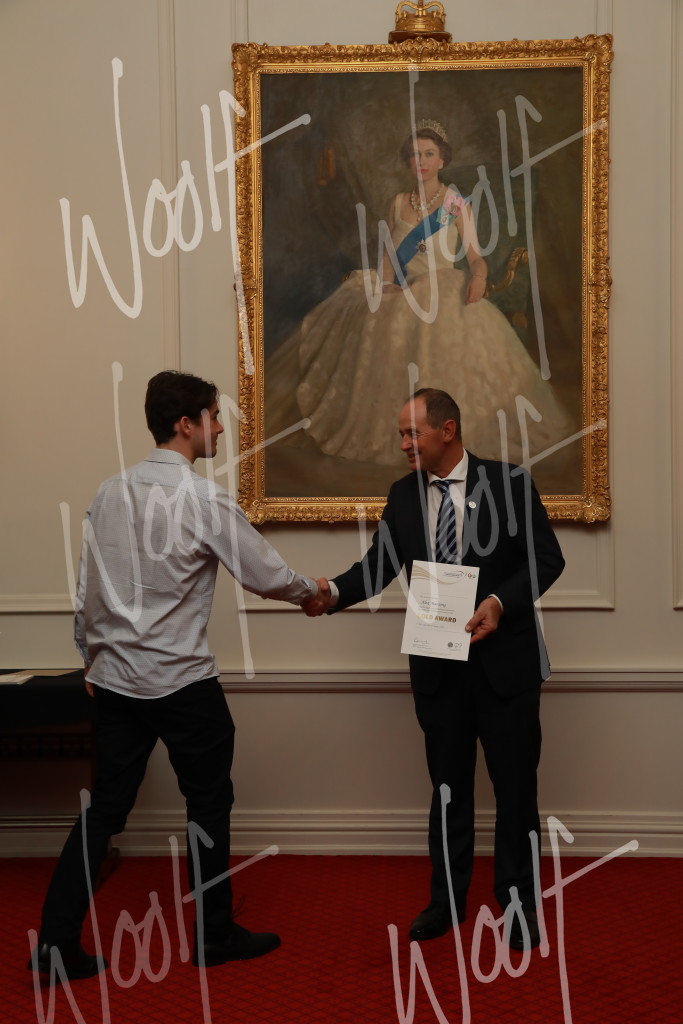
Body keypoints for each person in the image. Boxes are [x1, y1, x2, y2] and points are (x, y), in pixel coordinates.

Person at [28, 370, 325, 980]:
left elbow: (88, 588)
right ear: (186, 424)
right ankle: (214, 937)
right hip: (183, 682)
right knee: (209, 805)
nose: (220, 429)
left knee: (104, 810)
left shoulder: (110, 492)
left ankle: (54, 946)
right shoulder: (202, 498)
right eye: (214, 417)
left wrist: (90, 656)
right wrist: (313, 592)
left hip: (116, 681)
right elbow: (266, 575)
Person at [307, 388, 564, 950]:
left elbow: (547, 559)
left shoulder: (509, 483)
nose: (403, 444)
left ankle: (519, 907)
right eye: (401, 434)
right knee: (448, 791)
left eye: (412, 433)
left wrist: (499, 603)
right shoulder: (403, 495)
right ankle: (445, 902)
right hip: (438, 671)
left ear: (447, 431)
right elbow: (378, 565)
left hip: (506, 670)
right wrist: (332, 593)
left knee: (515, 792)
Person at [266, 119, 571, 471]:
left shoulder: (456, 204)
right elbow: (388, 256)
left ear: (442, 160)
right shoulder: (397, 204)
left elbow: (475, 255)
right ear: (407, 161)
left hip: (444, 289)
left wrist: (480, 276)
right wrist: (385, 285)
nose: (421, 161)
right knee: (366, 318)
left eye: (429, 154)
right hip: (403, 291)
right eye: (414, 154)